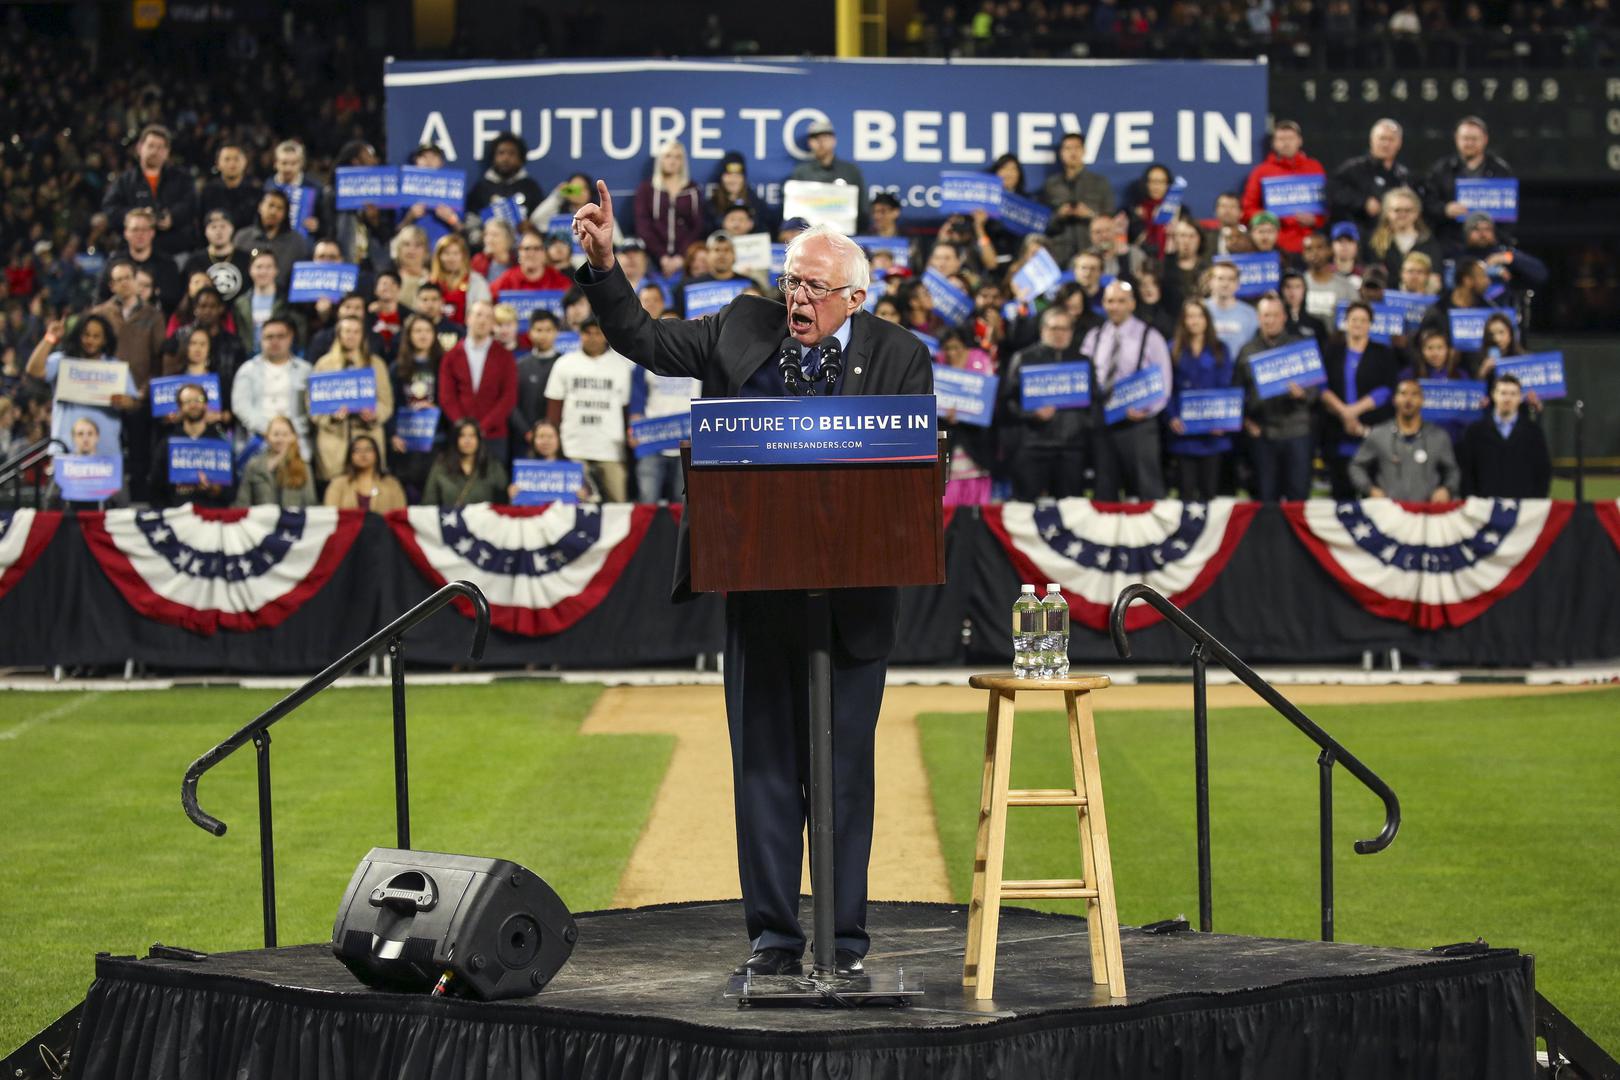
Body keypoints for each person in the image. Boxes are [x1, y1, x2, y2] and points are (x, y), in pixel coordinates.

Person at [573, 179, 930, 977]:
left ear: (855, 298)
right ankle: (774, 939)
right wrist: (603, 265)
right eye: (791, 280)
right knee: (764, 773)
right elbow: (643, 338)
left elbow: (910, 482)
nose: (796, 297)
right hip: (758, 595)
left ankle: (843, 943)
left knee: (843, 778)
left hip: (853, 604)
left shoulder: (901, 356)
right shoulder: (741, 323)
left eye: (814, 287)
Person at [1081, 280, 1172, 501]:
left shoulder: (1151, 336)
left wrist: (1147, 411)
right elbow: (1084, 377)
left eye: (1121, 301)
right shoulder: (1094, 337)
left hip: (1139, 423)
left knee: (1147, 486)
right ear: (1103, 304)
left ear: (1132, 304)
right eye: (1110, 301)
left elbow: (1164, 381)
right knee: (1105, 487)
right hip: (1104, 422)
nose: (1115, 306)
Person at [996, 305, 1088, 500]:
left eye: (1064, 329)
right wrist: (1032, 414)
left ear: (1071, 332)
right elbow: (1007, 402)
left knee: (1072, 509)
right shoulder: (1023, 358)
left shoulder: (1082, 361)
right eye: (1054, 328)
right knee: (1026, 509)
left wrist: (1081, 427)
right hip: (1033, 446)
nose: (1059, 334)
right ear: (1042, 330)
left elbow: (1093, 404)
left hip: (1071, 448)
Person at [1234, 294, 1317, 501]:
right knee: (1265, 499)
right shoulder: (1247, 351)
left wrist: (1302, 393)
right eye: (1266, 315)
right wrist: (1246, 422)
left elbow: (1316, 390)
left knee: (1298, 497)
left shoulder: (1301, 347)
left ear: (1284, 317)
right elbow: (1237, 393)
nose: (1270, 320)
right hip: (1263, 435)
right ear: (1258, 318)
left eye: (1275, 315)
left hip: (1296, 432)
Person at [543, 318, 633, 501]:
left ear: (605, 335)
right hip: (573, 446)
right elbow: (554, 408)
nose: (592, 338)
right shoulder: (564, 363)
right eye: (587, 333)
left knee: (619, 505)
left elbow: (626, 410)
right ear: (580, 335)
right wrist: (556, 446)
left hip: (610, 448)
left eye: (597, 333)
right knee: (573, 505)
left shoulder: (622, 366)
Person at [1320, 301, 1402, 499]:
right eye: (1354, 319)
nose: (1358, 324)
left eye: (1363, 320)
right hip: (1337, 430)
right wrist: (1344, 413)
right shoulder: (1332, 351)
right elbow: (1322, 386)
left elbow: (1386, 389)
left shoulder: (1382, 352)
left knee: (1373, 495)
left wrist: (1354, 411)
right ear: (1346, 322)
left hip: (1372, 430)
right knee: (1342, 494)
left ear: (1370, 324)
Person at [26, 313, 138, 458]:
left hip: (105, 455)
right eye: (86, 335)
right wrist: (50, 337)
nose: (90, 340)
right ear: (78, 335)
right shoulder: (63, 360)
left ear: (105, 340)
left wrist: (127, 402)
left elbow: (134, 403)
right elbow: (33, 370)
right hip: (65, 452)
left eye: (96, 336)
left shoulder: (115, 368)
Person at [311, 315, 394, 481]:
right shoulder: (323, 365)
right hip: (334, 442)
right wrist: (332, 417)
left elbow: (386, 403)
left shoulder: (376, 364)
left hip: (367, 436)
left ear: (362, 335)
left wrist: (374, 414)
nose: (351, 336)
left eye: (356, 332)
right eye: (347, 331)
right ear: (339, 334)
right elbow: (313, 406)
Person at [1166, 299, 1234, 501]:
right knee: (1185, 492)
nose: (1194, 321)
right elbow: (1167, 388)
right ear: (1183, 321)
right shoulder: (1172, 349)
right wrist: (1171, 417)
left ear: (1207, 320)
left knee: (1210, 492)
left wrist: (1221, 420)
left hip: (1212, 434)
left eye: (1199, 316)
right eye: (1190, 316)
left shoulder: (1220, 349)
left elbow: (1226, 387)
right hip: (1184, 434)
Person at [1349, 379, 1459, 502]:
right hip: (1389, 510)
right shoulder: (1379, 434)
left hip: (1427, 509)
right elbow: (1356, 466)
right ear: (1394, 399)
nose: (1408, 399)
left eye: (1414, 394)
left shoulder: (1438, 436)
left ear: (1422, 400)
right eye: (1403, 393)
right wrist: (1370, 489)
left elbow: (1453, 471)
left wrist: (1447, 489)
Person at [439, 299, 518, 465]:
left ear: (493, 324)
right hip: (459, 435)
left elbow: (508, 397)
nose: (482, 321)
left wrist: (482, 427)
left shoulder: (505, 357)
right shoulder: (451, 356)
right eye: (478, 315)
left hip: (494, 435)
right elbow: (447, 397)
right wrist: (465, 429)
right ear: (468, 318)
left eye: (488, 317)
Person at [101, 124, 196, 260]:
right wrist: (138, 216)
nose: (155, 151)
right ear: (139, 148)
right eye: (151, 146)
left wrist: (172, 217)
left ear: (167, 152)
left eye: (160, 147)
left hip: (175, 250)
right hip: (134, 253)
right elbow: (110, 208)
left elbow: (192, 204)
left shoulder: (182, 179)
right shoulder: (125, 181)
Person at [1457, 374, 1551, 498]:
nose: (1507, 398)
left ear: (1520, 397)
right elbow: (1466, 471)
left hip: (1524, 504)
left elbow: (1543, 471)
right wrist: (1472, 499)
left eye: (1513, 394)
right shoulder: (1474, 432)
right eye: (1503, 393)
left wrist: (1535, 502)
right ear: (1493, 395)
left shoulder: (1534, 432)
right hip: (1483, 504)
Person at [233, 316, 314, 460]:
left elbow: (312, 409)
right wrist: (270, 431)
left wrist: (288, 433)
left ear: (290, 338)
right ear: (260, 340)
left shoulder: (306, 370)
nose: (274, 341)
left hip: (297, 440)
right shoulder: (247, 370)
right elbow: (241, 407)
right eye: (269, 337)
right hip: (258, 438)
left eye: (280, 336)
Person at [1241, 120, 1326, 257]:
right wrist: (1269, 218)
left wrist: (1315, 220)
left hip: (1311, 245)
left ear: (1299, 141)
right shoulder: (1261, 172)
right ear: (1274, 143)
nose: (1286, 143)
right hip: (1275, 245)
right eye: (1281, 139)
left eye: (1290, 138)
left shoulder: (1314, 167)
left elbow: (1326, 205)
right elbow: (1248, 209)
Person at [1423, 116, 1514, 242]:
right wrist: (1445, 209)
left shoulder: (1501, 170)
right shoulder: (1441, 169)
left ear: (1485, 139)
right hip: (1450, 239)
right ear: (1456, 139)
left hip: (1489, 242)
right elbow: (1427, 203)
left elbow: (1509, 213)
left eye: (1474, 139)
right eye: (1465, 138)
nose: (1469, 143)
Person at [148, 381, 234, 508]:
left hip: (212, 513)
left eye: (198, 400)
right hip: (177, 514)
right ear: (180, 407)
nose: (193, 405)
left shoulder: (221, 444)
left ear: (206, 404)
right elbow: (155, 488)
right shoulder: (167, 445)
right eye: (187, 401)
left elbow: (233, 490)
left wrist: (216, 490)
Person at [628, 355, 699, 503]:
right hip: (651, 442)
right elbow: (637, 402)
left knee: (685, 503)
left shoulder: (699, 361)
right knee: (647, 499)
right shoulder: (646, 361)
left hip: (690, 443)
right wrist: (634, 430)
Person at [1042, 130, 1116, 266]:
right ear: (1061, 153)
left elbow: (1110, 218)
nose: (1073, 153)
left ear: (1084, 151)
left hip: (1092, 250)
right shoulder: (1051, 185)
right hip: (1060, 253)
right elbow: (1042, 223)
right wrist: (1059, 215)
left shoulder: (1099, 182)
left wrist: (1090, 214)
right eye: (1068, 148)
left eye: (1076, 148)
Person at [1329, 119, 1412, 237]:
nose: (1386, 144)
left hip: (1393, 237)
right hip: (1360, 236)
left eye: (1391, 139)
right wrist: (1363, 202)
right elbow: (1332, 191)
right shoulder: (1353, 169)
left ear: (1399, 143)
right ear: (1371, 140)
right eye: (1382, 138)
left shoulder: (1402, 174)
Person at [635, 140, 705, 281]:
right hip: (653, 259)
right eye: (668, 156)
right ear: (660, 159)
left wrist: (681, 256)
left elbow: (698, 226)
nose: (672, 161)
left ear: (683, 161)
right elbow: (643, 225)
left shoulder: (693, 189)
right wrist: (662, 256)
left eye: (677, 157)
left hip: (685, 259)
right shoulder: (647, 189)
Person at [789, 120, 870, 233]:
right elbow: (794, 213)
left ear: (833, 140)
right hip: (811, 236)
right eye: (815, 138)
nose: (820, 142)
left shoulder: (851, 171)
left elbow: (863, 209)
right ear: (809, 143)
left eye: (825, 137)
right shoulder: (801, 173)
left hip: (846, 235)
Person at [45, 416, 129, 510]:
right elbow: (50, 501)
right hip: (71, 515)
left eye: (90, 434)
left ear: (97, 437)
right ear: (73, 438)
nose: (85, 439)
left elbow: (123, 502)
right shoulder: (63, 467)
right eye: (80, 434)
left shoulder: (111, 467)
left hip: (102, 514)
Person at [233, 189, 310, 292]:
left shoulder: (297, 242)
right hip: (246, 297)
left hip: (284, 299)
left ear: (285, 213)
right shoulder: (242, 238)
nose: (274, 212)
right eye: (270, 205)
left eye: (280, 208)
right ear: (260, 207)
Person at [109, 207, 182, 315]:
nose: (140, 234)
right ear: (126, 233)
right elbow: (101, 297)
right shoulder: (114, 263)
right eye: (135, 230)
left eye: (144, 230)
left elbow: (172, 302)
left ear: (152, 232)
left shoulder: (168, 264)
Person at [422, 417, 509, 506]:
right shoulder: (441, 466)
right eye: (462, 436)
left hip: (483, 515)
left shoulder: (493, 466)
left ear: (479, 439)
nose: (467, 441)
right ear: (455, 439)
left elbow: (504, 500)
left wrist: (511, 495)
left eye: (472, 436)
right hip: (449, 515)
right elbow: (428, 502)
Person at [1363, 187, 1443, 283]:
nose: (1402, 214)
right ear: (1387, 212)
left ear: (1417, 213)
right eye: (1397, 210)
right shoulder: (1374, 242)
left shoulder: (1429, 243)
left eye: (1408, 210)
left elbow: (1435, 276)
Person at [236, 414, 317, 507]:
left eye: (285, 435)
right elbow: (242, 502)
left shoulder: (304, 467)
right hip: (262, 516)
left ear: (293, 437)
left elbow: (311, 504)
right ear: (267, 436)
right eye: (276, 434)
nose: (280, 439)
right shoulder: (253, 465)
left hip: (292, 516)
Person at [467, 132, 546, 223]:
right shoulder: (481, 189)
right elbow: (471, 219)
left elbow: (540, 221)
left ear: (521, 159)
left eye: (511, 153)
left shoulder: (531, 188)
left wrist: (530, 227)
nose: (505, 158)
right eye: (501, 153)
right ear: (493, 157)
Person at [233, 251, 302, 356]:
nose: (263, 272)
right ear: (250, 270)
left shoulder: (288, 301)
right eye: (259, 267)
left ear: (276, 270)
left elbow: (298, 332)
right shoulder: (240, 303)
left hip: (281, 356)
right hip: (249, 357)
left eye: (269, 267)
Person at [182, 210, 253, 304]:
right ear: (205, 231)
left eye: (223, 226)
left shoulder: (246, 259)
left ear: (232, 229)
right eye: (213, 227)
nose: (218, 231)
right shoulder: (194, 261)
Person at [323, 433, 407, 513]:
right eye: (357, 450)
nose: (363, 454)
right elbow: (330, 515)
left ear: (377, 454)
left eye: (368, 449)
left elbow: (400, 516)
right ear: (350, 456)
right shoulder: (338, 484)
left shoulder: (391, 484)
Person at [490, 225, 572, 298]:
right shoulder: (508, 279)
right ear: (519, 252)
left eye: (536, 248)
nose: (531, 254)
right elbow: (488, 298)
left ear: (544, 253)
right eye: (527, 249)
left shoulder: (559, 281)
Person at [198, 142, 262, 233]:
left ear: (245, 162)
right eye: (227, 159)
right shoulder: (208, 191)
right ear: (218, 163)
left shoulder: (256, 191)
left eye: (236, 159)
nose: (232, 163)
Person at [430, 233, 491, 325]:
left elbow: (484, 313)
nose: (451, 258)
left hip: (466, 331)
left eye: (456, 253)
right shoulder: (430, 282)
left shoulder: (477, 282)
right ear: (439, 257)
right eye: (446, 253)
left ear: (464, 256)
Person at [1301, 229, 1358, 324]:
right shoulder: (1298, 285)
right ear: (1303, 254)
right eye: (1309, 249)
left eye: (1319, 248)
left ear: (1329, 250)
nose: (1315, 253)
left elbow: (1357, 316)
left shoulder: (1346, 287)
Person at [1206, 260, 1258, 360]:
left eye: (1231, 279)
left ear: (1238, 284)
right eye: (1220, 278)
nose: (1225, 284)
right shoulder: (1200, 310)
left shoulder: (1250, 314)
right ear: (1210, 282)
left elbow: (1254, 349)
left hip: (1239, 368)